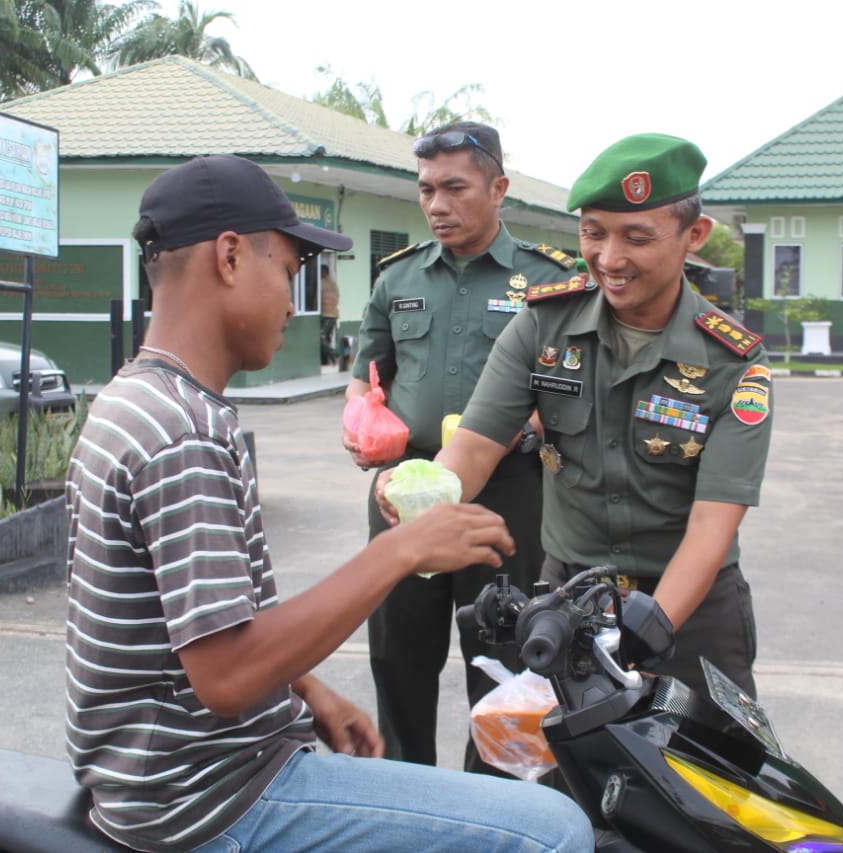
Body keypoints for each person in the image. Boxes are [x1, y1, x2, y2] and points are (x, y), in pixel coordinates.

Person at [64, 153, 593, 853]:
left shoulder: (138, 399)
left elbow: (205, 624)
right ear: (228, 258)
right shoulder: (181, 434)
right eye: (287, 272)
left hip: (175, 774)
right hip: (214, 798)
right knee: (555, 830)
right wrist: (399, 549)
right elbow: (225, 676)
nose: (293, 302)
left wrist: (307, 689)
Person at [380, 134, 772, 699]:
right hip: (571, 603)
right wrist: (421, 492)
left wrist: (645, 631)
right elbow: (473, 448)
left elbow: (713, 526)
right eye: (593, 233)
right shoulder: (543, 326)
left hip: (692, 610)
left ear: (694, 236)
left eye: (637, 237)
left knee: (709, 780)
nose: (610, 259)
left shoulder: (733, 361)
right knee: (565, 782)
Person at [342, 121, 577, 772]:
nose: (437, 205)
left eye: (454, 188)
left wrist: (532, 424)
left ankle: (493, 804)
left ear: (498, 187)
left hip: (505, 497)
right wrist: (360, 421)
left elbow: (571, 386)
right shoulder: (397, 279)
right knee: (397, 656)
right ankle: (409, 796)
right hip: (404, 493)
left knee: (504, 663)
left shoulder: (547, 281)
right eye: (425, 190)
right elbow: (368, 376)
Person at [319, 257, 340, 365]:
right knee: (327, 337)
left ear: (324, 272)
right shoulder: (333, 283)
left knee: (321, 337)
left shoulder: (321, 283)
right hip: (334, 315)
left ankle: (334, 355)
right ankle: (327, 361)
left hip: (327, 315)